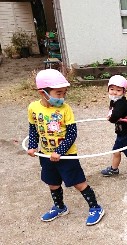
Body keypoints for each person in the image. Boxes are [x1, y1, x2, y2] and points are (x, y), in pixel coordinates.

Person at [27, 69, 104, 225]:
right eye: (58, 93)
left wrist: (59, 151)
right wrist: (32, 146)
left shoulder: (65, 109)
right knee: (53, 183)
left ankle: (95, 207)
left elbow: (71, 134)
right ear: (43, 93)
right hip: (46, 155)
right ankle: (60, 207)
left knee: (78, 183)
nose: (62, 97)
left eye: (64, 93)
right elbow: (33, 129)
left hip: (66, 155)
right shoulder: (33, 108)